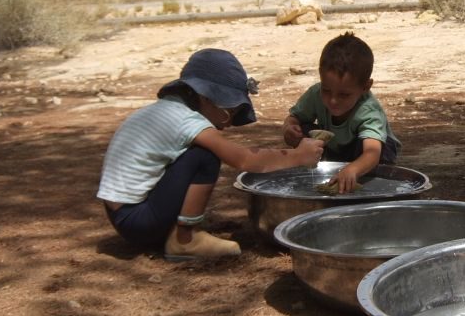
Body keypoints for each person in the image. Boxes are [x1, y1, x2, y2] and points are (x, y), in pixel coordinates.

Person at [97, 48, 324, 260]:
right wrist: (298, 156)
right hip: (138, 221)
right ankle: (185, 239)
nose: (226, 125)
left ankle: (177, 230)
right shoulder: (186, 120)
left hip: (121, 214)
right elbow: (245, 159)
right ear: (205, 97)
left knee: (190, 153)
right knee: (204, 156)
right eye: (228, 113)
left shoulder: (163, 110)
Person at [282, 32, 400, 193]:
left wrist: (353, 169)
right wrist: (290, 127)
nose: (333, 101)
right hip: (336, 149)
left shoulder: (368, 110)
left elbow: (372, 153)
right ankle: (320, 167)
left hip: (372, 153)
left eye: (344, 95)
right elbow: (294, 118)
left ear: (365, 87)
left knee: (374, 152)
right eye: (327, 91)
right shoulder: (316, 94)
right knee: (303, 128)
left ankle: (359, 172)